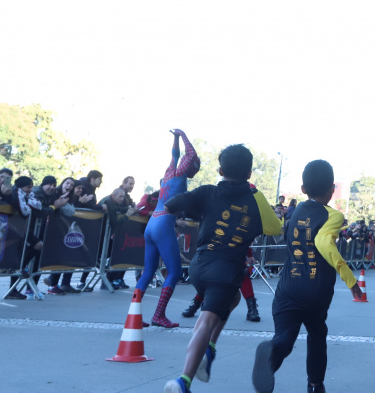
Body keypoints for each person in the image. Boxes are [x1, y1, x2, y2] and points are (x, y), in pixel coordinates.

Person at [162, 144, 281, 393]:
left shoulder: (207, 192)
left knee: (234, 298)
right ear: (249, 174)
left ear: (219, 170)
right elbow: (275, 228)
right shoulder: (254, 200)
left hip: (199, 266)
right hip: (224, 272)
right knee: (206, 322)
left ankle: (210, 350)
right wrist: (254, 192)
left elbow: (172, 204)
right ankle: (183, 381)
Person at [252, 160, 363, 393]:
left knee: (285, 336)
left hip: (287, 288)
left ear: (303, 189)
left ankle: (271, 355)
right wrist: (350, 279)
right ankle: (315, 386)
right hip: (316, 290)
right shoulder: (333, 215)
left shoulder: (296, 211)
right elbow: (323, 242)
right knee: (317, 333)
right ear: (332, 189)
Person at [135, 129, 200, 328]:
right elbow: (190, 155)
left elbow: (176, 155)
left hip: (154, 221)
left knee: (148, 271)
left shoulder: (170, 171)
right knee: (174, 271)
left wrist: (176, 139)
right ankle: (159, 315)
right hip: (164, 223)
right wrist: (183, 135)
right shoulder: (180, 175)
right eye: (196, 166)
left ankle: (134, 314)